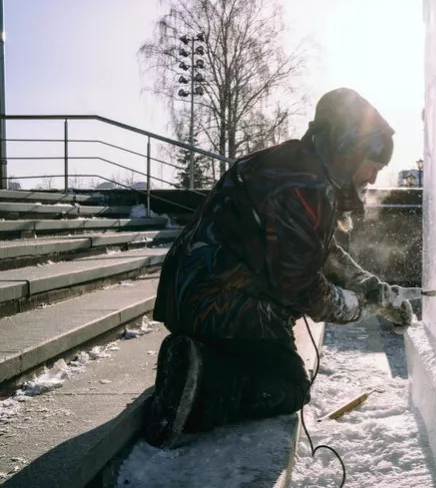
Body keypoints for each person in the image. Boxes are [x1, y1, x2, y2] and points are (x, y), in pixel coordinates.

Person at [144, 88, 414, 449]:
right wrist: (363, 307)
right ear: (349, 149)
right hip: (219, 303)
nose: (373, 179)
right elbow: (303, 288)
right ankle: (201, 387)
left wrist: (364, 282)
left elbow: (317, 246)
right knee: (288, 386)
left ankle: (200, 355)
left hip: (198, 294)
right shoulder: (302, 187)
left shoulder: (300, 168)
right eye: (373, 165)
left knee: (273, 361)